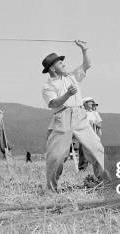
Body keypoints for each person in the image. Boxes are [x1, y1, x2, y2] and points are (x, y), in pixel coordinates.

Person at [41, 40, 106, 191]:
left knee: (96, 148)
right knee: (56, 157)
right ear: (52, 68)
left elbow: (87, 65)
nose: (63, 64)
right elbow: (53, 103)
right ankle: (51, 189)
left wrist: (85, 50)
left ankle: (106, 182)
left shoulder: (72, 77)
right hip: (61, 117)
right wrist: (67, 94)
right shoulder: (48, 86)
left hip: (79, 115)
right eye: (59, 63)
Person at [78, 97, 103, 171]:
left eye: (92, 102)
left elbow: (99, 124)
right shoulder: (81, 113)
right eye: (90, 102)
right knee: (83, 153)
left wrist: (95, 124)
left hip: (94, 135)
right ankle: (82, 169)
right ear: (85, 103)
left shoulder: (94, 113)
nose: (92, 103)